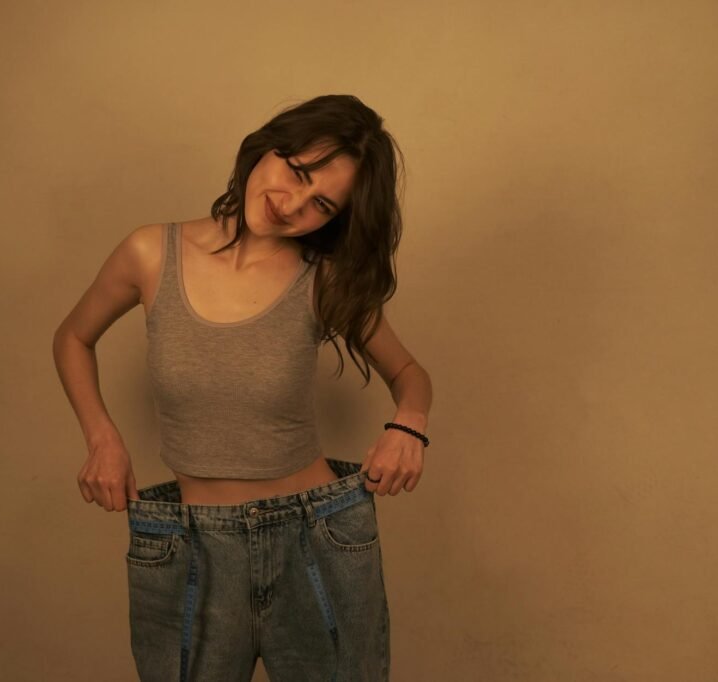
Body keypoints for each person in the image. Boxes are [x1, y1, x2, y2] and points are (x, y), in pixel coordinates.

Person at [52, 94, 433, 682]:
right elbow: (73, 337)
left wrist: (409, 426)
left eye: (321, 204)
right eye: (297, 172)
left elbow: (410, 375)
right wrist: (102, 438)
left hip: (318, 538)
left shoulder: (323, 279)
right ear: (267, 147)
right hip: (189, 546)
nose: (291, 204)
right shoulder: (150, 252)